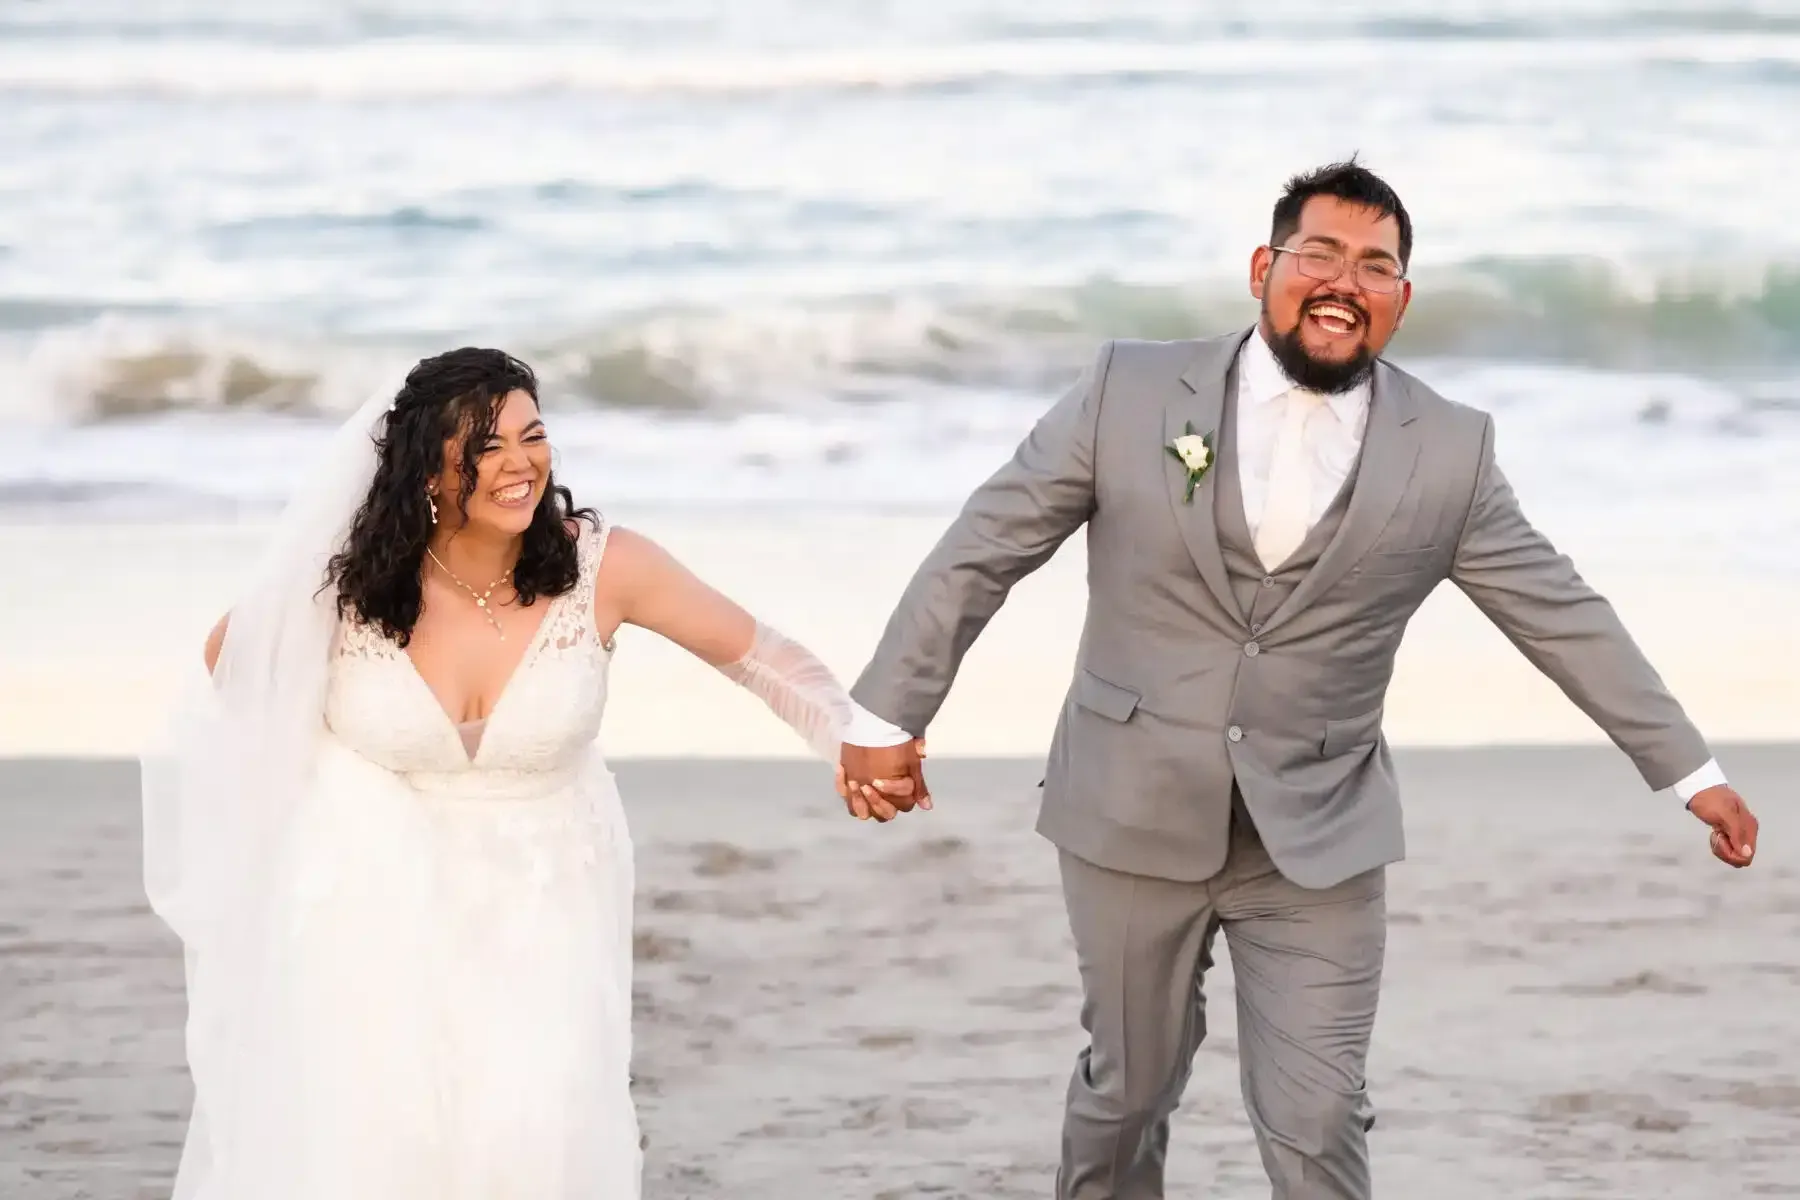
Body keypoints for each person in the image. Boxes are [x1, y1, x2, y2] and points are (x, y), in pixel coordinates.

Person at [835, 160, 1761, 1199]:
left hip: (1319, 835)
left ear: (1401, 301)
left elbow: (1562, 613)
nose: (1344, 281)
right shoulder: (1130, 389)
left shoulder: (1449, 452)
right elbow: (986, 543)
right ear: (1263, 268)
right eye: (1319, 254)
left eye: (1376, 266)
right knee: (1128, 1093)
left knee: (1319, 1116)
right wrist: (886, 711)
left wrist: (1689, 770)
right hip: (1130, 807)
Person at [140, 348, 904, 1198]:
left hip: (548, 898)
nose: (520, 465)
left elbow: (760, 656)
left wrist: (851, 735)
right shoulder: (346, 589)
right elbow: (233, 669)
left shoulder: (602, 566)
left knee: (537, 1133)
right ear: (426, 469)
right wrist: (317, 805)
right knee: (378, 1142)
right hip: (369, 906)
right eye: (485, 447)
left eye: (531, 436)